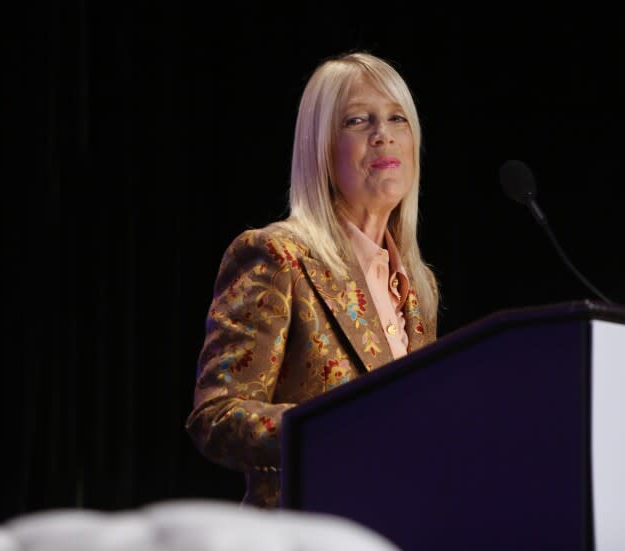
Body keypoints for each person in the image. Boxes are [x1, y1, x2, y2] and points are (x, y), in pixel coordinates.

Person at [185, 51, 440, 509]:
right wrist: (335, 427)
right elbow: (217, 416)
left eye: (397, 118)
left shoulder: (419, 288)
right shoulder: (277, 256)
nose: (383, 135)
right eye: (358, 121)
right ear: (320, 147)